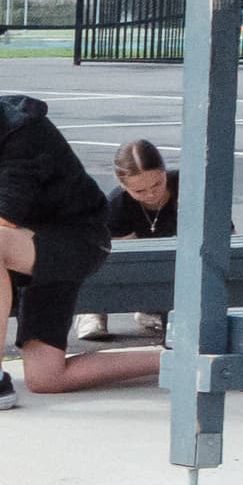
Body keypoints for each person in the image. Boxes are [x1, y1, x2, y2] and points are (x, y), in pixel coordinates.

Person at [0, 92, 157, 401]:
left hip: (76, 240)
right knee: (46, 377)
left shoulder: (27, 136)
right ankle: (171, 360)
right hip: (30, 247)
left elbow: (3, 216)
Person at [83, 139, 176, 340]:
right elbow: (129, 260)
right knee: (103, 261)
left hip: (176, 261)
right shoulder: (117, 205)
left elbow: (227, 234)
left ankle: (152, 309)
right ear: (123, 186)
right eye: (139, 191)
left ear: (164, 172)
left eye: (157, 184)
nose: (151, 194)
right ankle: (92, 310)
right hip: (138, 261)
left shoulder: (189, 188)